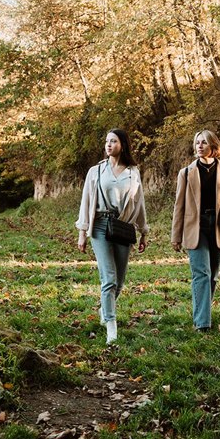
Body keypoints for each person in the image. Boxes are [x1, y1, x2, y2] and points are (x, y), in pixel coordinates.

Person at [76, 129, 149, 344]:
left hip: (123, 226)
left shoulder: (133, 172)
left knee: (119, 281)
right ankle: (111, 327)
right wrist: (82, 231)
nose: (108, 145)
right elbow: (86, 201)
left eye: (113, 141)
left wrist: (144, 231)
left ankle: (105, 309)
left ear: (122, 145)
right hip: (99, 225)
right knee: (108, 278)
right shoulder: (96, 171)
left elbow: (140, 203)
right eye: (107, 141)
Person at [171, 130, 220, 331]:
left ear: (213, 147)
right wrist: (176, 235)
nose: (199, 146)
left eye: (204, 143)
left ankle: (202, 311)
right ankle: (203, 323)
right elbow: (179, 206)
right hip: (195, 227)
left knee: (213, 275)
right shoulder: (185, 173)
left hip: (218, 227)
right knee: (202, 272)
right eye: (197, 143)